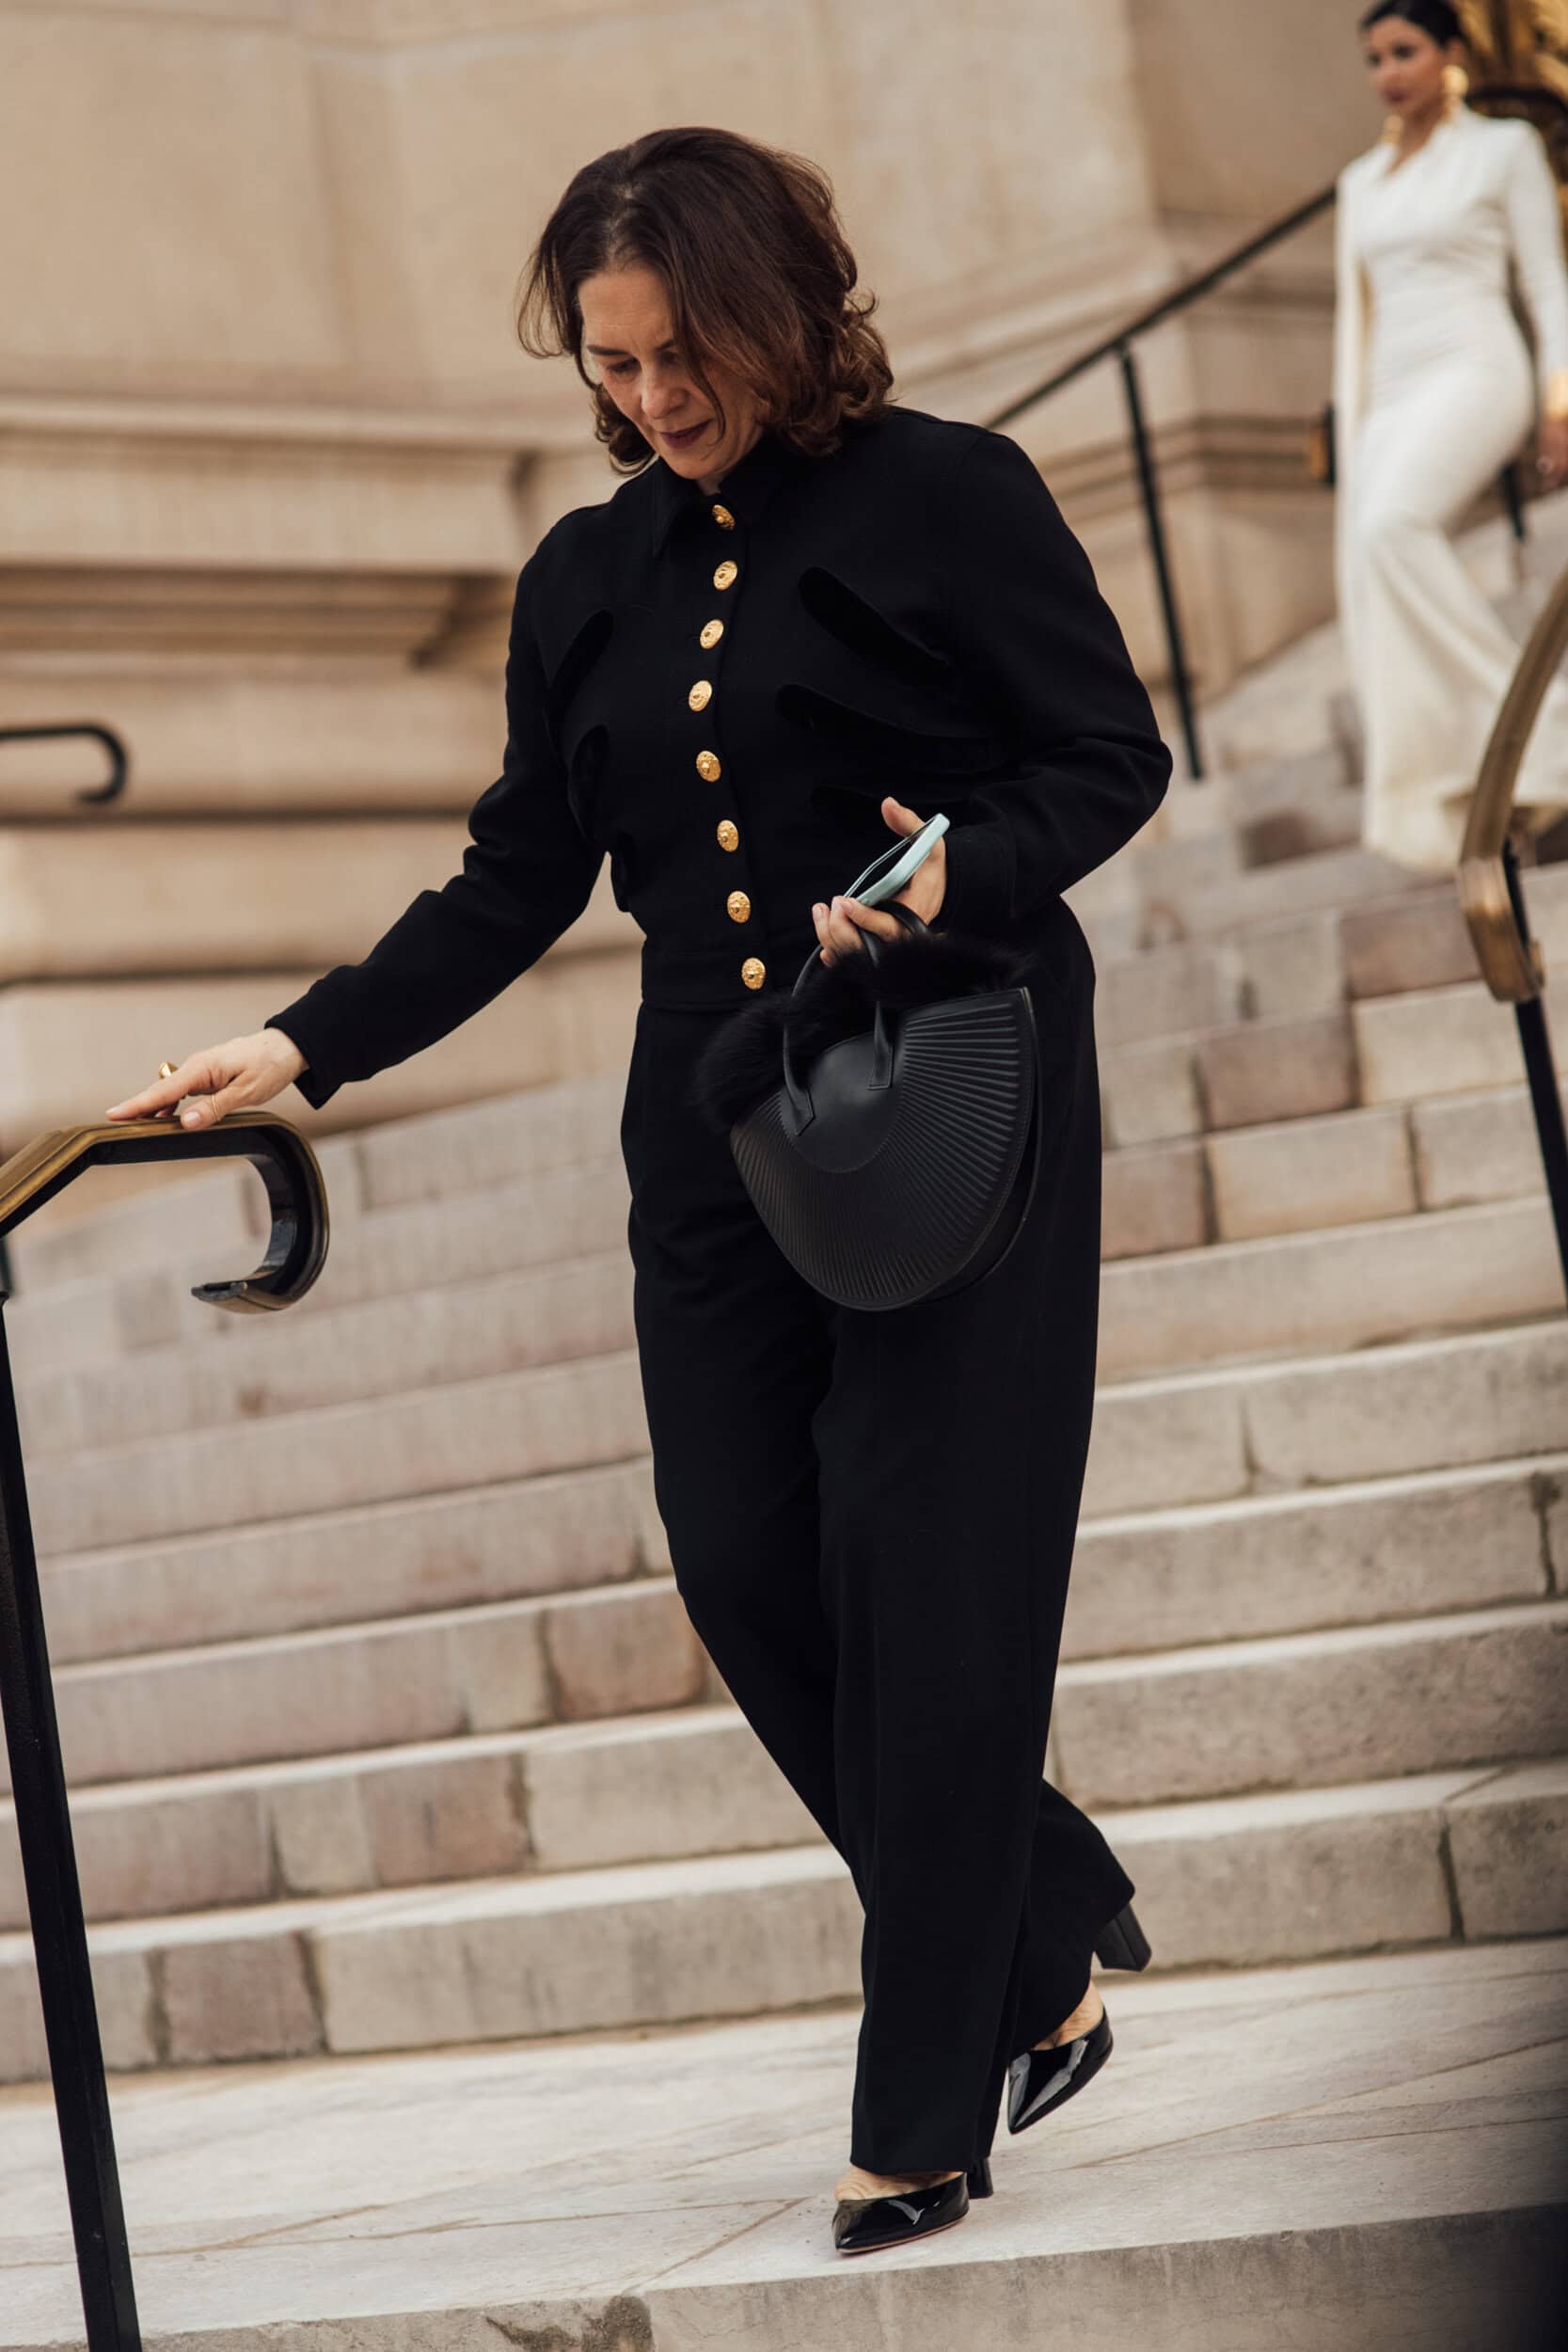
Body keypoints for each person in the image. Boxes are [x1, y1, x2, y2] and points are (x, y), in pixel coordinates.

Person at [107, 127, 1170, 2256]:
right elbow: (519, 872)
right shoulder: (581, 576)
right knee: (744, 1562)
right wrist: (306, 1041)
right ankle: (1035, 1932)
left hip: (954, 1086)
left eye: (684, 354)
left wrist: (964, 861)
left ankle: (924, 2099)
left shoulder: (949, 494)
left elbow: (1106, 756)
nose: (651, 400)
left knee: (919, 1573)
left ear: (784, 309)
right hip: (714, 1132)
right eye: (611, 364)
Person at [1338, 0, 1568, 871]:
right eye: (1373, 58)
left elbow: (1546, 283)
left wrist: (1558, 398)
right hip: (1389, 389)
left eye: (1404, 51)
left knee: (1392, 528)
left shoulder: (1501, 150)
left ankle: (1539, 732)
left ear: (1451, 54)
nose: (1387, 72)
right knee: (1373, 547)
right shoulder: (1362, 180)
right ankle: (1470, 766)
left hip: (1476, 366)